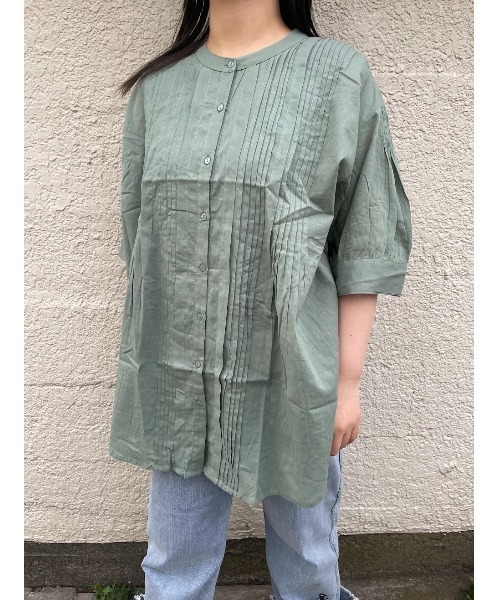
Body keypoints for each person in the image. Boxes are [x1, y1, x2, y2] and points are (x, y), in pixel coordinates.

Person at [108, 1, 413, 599]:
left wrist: (347, 381)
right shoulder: (157, 92)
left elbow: (366, 236)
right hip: (179, 376)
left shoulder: (338, 76)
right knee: (173, 558)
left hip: (295, 372)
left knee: (308, 559)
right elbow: (140, 238)